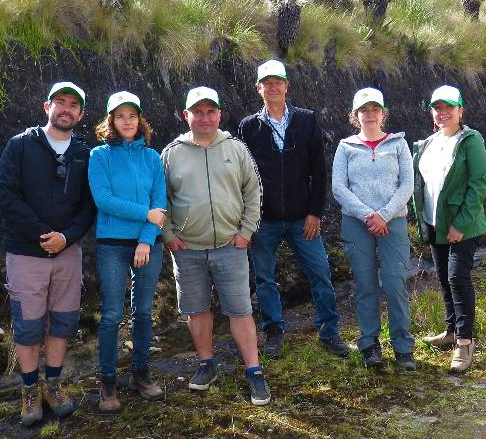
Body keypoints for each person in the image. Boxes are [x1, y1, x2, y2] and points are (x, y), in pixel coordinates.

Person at [161, 86, 270, 406]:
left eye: (211, 111)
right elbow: (161, 199)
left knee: (240, 310)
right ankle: (206, 364)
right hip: (188, 250)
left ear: (220, 114)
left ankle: (254, 369)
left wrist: (246, 232)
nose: (205, 117)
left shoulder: (236, 149)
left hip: (230, 246)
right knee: (197, 310)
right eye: (198, 112)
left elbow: (253, 192)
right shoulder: (171, 153)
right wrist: (168, 235)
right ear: (186, 116)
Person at [0, 82, 95, 425]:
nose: (65, 109)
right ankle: (28, 390)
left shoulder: (84, 153)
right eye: (60, 102)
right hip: (26, 253)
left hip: (68, 254)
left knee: (64, 321)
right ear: (46, 107)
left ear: (80, 114)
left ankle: (53, 384)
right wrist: (43, 234)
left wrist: (66, 237)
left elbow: (89, 205)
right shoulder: (21, 146)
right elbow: (7, 195)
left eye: (73, 105)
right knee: (28, 325)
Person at [238, 60, 348, 358]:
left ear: (287, 86)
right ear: (258, 88)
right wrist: (249, 218)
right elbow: (242, 175)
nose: (273, 87)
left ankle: (329, 331)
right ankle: (274, 331)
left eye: (278, 81)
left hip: (303, 218)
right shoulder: (249, 127)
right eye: (267, 82)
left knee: (321, 273)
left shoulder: (307, 120)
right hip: (264, 220)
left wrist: (315, 213)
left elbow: (319, 170)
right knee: (264, 278)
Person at [88, 91, 167, 413]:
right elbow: (103, 199)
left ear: (140, 119)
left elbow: (159, 206)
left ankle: (141, 373)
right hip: (112, 245)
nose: (127, 121)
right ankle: (107, 381)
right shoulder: (99, 156)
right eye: (120, 116)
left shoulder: (151, 157)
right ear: (111, 120)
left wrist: (147, 239)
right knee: (110, 315)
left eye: (132, 115)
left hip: (148, 244)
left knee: (144, 313)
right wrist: (144, 214)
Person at [331, 87, 417, 370]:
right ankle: (370, 344)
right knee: (365, 286)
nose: (370, 115)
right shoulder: (345, 147)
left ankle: (403, 346)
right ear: (356, 115)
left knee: (394, 283)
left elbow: (407, 184)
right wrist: (369, 214)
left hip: (394, 223)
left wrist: (384, 214)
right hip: (357, 224)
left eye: (375, 110)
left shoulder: (398, 144)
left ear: (383, 113)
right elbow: (339, 188)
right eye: (364, 110)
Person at [412, 85, 486, 373]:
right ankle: (451, 332)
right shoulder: (429, 143)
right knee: (445, 278)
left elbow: (479, 183)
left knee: (458, 278)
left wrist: (460, 224)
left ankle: (466, 343)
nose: (443, 113)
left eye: (449, 107)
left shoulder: (471, 140)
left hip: (462, 227)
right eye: (437, 108)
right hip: (435, 223)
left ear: (461, 110)